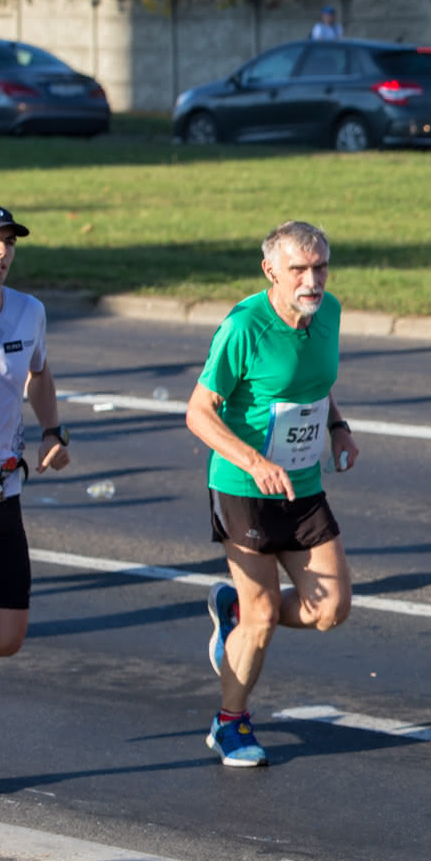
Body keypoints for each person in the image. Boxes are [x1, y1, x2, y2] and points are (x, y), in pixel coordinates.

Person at [186, 221, 358, 766]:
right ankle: (230, 723)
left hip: (302, 483)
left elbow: (315, 383)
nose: (313, 281)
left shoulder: (326, 313)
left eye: (321, 268)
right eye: (299, 270)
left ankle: (232, 617)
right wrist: (254, 461)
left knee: (332, 608)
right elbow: (198, 413)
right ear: (270, 271)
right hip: (243, 485)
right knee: (262, 614)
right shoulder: (243, 327)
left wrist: (338, 426)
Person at [0, 205, 71, 658]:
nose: (1, 252)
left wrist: (52, 432)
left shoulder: (28, 311)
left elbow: (38, 374)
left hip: (5, 489)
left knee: (7, 638)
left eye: (9, 242)